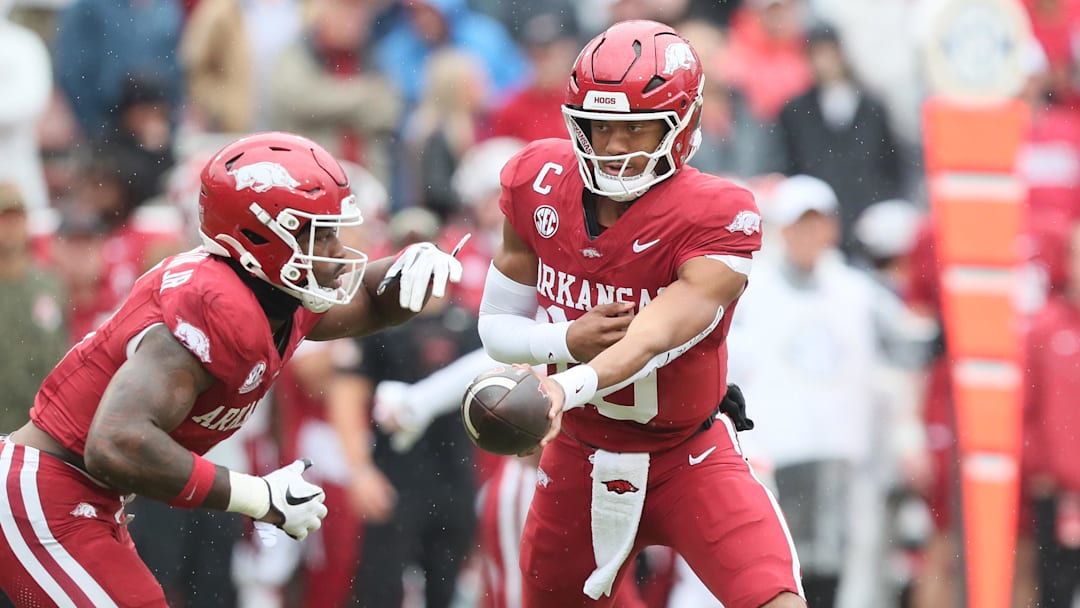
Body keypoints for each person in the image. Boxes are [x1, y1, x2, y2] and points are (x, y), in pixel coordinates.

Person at [0, 131, 466, 606]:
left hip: (82, 495)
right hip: (48, 490)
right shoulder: (215, 305)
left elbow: (363, 298)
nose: (334, 249)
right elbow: (116, 441)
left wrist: (410, 271)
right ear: (260, 233)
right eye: (318, 232)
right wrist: (256, 497)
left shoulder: (275, 291)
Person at [475, 20, 805, 608]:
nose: (613, 147)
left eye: (635, 129)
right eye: (600, 128)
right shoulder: (538, 182)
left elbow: (652, 335)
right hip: (578, 455)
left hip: (688, 455)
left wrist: (562, 385)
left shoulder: (716, 212)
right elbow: (496, 326)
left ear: (684, 124)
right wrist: (565, 341)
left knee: (774, 599)